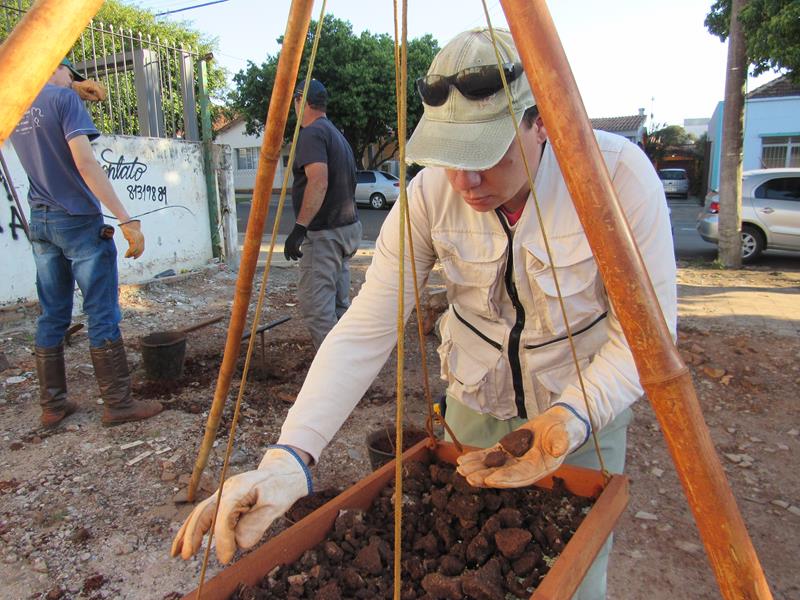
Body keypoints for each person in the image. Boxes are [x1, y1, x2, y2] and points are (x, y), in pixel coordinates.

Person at [172, 28, 676, 599]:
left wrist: (572, 419)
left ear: (543, 122)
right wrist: (291, 456)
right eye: (453, 157)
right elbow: (364, 328)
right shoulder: (429, 196)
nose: (468, 181)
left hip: (583, 417)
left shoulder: (616, 180)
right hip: (472, 409)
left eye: (489, 154)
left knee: (572, 581)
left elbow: (648, 339)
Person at [10, 58, 163, 428]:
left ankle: (53, 405)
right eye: (72, 74)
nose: (76, 81)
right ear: (55, 66)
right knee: (102, 313)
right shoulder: (64, 102)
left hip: (42, 221)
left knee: (53, 315)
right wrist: (126, 218)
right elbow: (85, 163)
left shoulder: (14, 105)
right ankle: (118, 403)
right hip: (78, 219)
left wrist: (70, 91)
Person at [283, 78, 363, 350]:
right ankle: (347, 366)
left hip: (326, 234)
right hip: (346, 230)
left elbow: (318, 181)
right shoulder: (336, 134)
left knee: (318, 310)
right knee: (339, 307)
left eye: (295, 101)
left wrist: (300, 227)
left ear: (301, 102)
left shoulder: (312, 133)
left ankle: (332, 381)